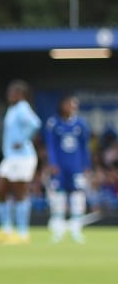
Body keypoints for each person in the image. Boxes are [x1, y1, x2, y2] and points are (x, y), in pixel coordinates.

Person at [0, 80, 43, 245]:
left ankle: (22, 233)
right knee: (1, 191)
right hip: (10, 157)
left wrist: (23, 139)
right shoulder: (12, 109)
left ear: (20, 94)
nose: (9, 95)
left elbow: (35, 123)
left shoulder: (22, 108)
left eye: (12, 92)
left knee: (20, 193)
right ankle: (6, 230)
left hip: (23, 157)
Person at [43, 93, 92, 243]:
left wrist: (86, 165)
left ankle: (76, 229)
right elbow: (51, 146)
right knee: (58, 198)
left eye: (75, 105)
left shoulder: (81, 124)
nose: (72, 107)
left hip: (76, 167)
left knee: (78, 197)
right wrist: (53, 163)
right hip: (60, 168)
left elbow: (85, 146)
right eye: (70, 104)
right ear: (62, 105)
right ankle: (57, 231)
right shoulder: (53, 123)